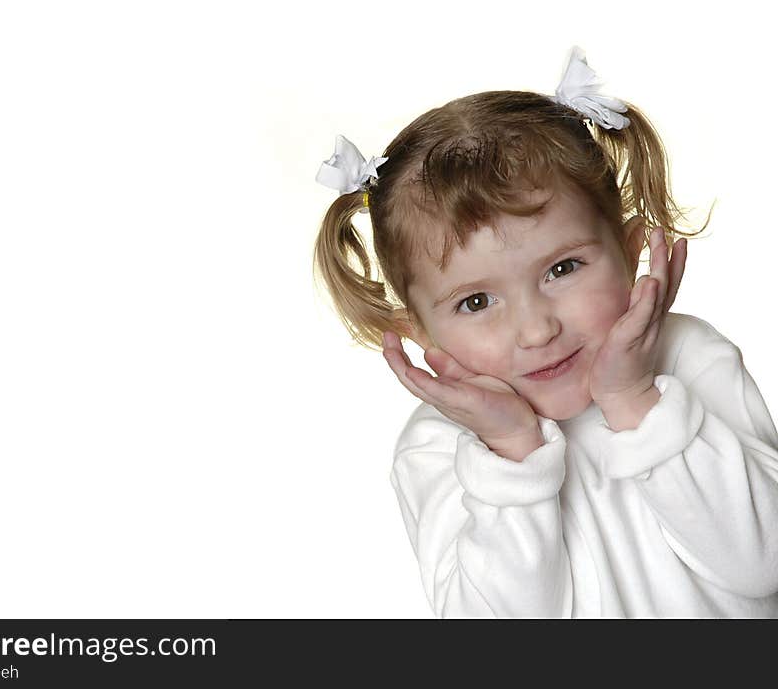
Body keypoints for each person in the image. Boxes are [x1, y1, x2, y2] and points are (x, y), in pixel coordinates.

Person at [312, 46, 778, 618]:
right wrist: (512, 453)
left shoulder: (690, 358)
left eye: (563, 269)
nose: (536, 330)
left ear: (631, 251)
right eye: (476, 301)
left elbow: (762, 562)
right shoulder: (436, 446)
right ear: (419, 331)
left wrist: (635, 400)